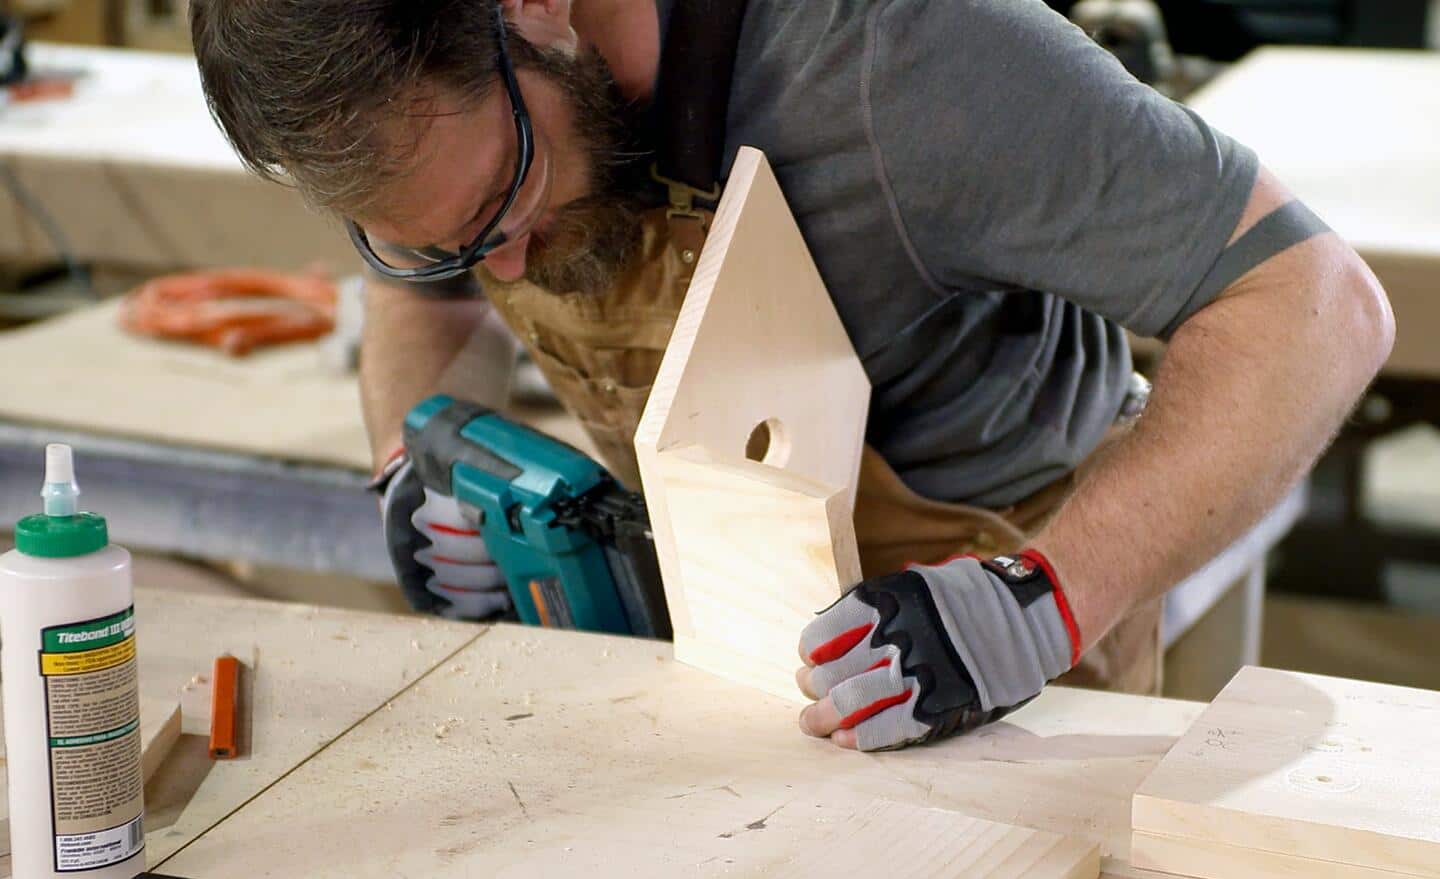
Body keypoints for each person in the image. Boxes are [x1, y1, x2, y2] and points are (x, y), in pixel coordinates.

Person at [190, 0, 1392, 751]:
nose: (493, 264)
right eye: (427, 231)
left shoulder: (900, 54)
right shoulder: (448, 131)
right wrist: (419, 453)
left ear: (534, 6)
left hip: (1013, 673)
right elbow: (428, 278)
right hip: (720, 665)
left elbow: (1315, 305)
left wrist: (1044, 599)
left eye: (503, 204)